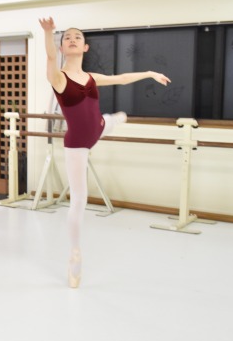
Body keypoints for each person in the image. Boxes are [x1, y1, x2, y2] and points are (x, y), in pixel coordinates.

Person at [39, 17, 171, 288]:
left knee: (107, 121)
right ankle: (75, 254)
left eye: (77, 37)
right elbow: (50, 57)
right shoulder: (58, 78)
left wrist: (149, 73)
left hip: (97, 129)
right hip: (78, 144)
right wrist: (49, 33)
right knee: (79, 200)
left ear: (85, 47)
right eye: (67, 38)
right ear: (62, 48)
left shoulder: (92, 78)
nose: (72, 39)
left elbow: (121, 79)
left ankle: (113, 120)